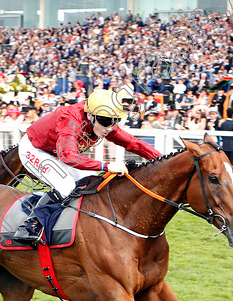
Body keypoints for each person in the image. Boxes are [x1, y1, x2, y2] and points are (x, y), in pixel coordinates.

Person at [13, 88, 162, 243]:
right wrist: (106, 166)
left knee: (90, 183)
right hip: (36, 148)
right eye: (105, 121)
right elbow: (69, 156)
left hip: (59, 152)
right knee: (66, 187)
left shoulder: (102, 118)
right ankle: (28, 227)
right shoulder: (70, 120)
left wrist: (163, 159)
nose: (110, 128)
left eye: (115, 121)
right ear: (90, 115)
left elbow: (134, 144)